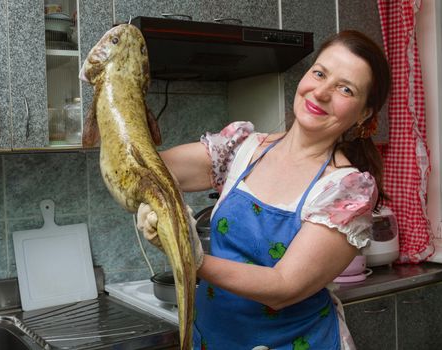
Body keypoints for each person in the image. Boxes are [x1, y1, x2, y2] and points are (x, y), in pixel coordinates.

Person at [137, 30, 391, 350]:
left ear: (364, 113)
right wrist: (125, 103)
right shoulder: (242, 150)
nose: (322, 92)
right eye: (319, 73)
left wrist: (188, 254)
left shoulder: (345, 191)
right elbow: (148, 170)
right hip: (212, 340)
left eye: (345, 88)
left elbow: (283, 287)